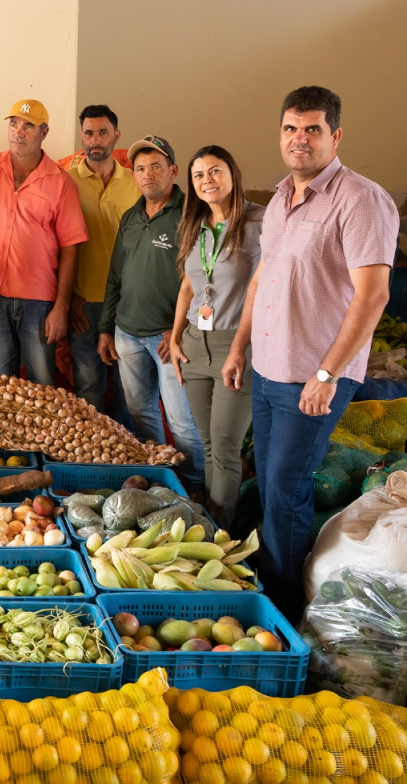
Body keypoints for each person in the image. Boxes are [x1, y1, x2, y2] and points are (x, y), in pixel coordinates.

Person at [227, 86, 397, 622]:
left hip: (315, 375)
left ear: (335, 135)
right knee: (272, 479)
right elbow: (262, 280)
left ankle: (283, 609)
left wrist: (327, 373)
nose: (299, 139)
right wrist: (239, 347)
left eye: (313, 129)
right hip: (270, 367)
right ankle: (277, 588)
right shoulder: (279, 200)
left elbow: (374, 294)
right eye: (290, 129)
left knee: (286, 487)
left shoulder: (361, 199)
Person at [98, 136, 205, 492]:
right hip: (127, 334)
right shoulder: (131, 217)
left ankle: (193, 489)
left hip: (168, 340)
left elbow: (206, 284)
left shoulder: (192, 216)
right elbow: (115, 276)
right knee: (141, 414)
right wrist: (106, 328)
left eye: (156, 166)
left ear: (174, 171)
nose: (147, 175)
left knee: (181, 421)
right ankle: (158, 482)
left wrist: (179, 332)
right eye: (140, 169)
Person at [168, 146, 264, 527]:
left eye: (214, 170)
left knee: (225, 449)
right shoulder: (196, 224)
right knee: (207, 446)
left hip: (234, 346)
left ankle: (217, 538)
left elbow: (263, 289)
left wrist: (240, 348)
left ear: (233, 171)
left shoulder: (260, 222)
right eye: (198, 175)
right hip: (194, 345)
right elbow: (188, 288)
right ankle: (210, 523)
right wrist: (175, 340)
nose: (206, 180)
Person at [0, 100, 87, 386]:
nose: (18, 132)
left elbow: (71, 247)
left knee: (41, 384)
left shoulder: (61, 183)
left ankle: (40, 434)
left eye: (28, 126)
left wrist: (61, 308)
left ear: (44, 132)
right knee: (2, 384)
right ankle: (6, 434)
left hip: (39, 302)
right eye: (13, 124)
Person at [64, 105, 138, 419]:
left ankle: (125, 461)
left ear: (116, 136)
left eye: (103, 132)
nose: (96, 140)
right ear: (82, 136)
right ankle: (91, 458)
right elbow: (55, 244)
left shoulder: (137, 181)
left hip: (128, 303)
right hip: (83, 305)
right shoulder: (64, 182)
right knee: (89, 387)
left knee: (127, 389)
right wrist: (67, 299)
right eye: (89, 133)